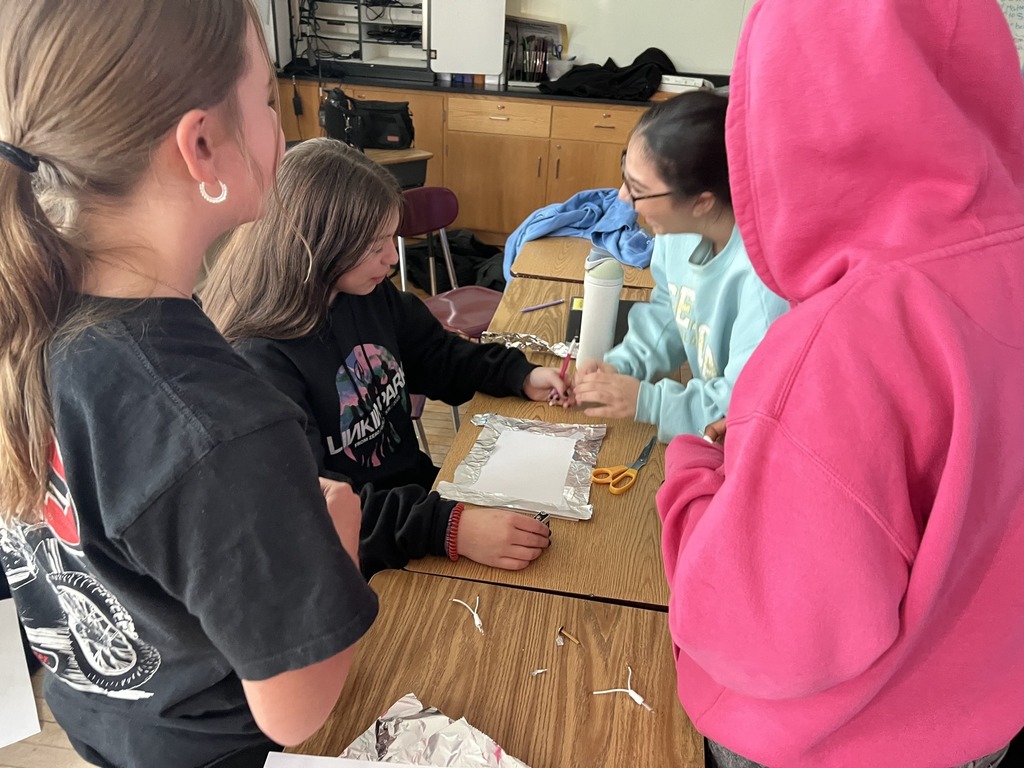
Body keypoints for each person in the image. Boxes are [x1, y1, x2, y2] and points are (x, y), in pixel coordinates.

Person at [0, 3, 377, 767]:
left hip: (101, 721)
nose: (281, 128)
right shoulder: (218, 424)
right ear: (202, 144)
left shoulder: (27, 311)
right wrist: (336, 535)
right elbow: (295, 712)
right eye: (269, 101)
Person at [656, 0, 1024, 766]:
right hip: (983, 715)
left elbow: (764, 635)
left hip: (843, 736)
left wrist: (694, 474)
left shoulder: (850, 333)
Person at [202, 138, 556, 576]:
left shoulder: (364, 292)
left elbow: (435, 354)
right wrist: (452, 527)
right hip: (361, 555)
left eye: (391, 239)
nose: (392, 257)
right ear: (318, 247)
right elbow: (311, 510)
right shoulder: (259, 360)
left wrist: (519, 374)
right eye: (375, 246)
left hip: (416, 512)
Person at [573, 91, 788, 443]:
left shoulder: (766, 284)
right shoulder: (676, 230)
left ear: (702, 202)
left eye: (638, 189)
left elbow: (746, 407)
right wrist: (621, 365)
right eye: (625, 172)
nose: (623, 197)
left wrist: (649, 402)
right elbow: (673, 308)